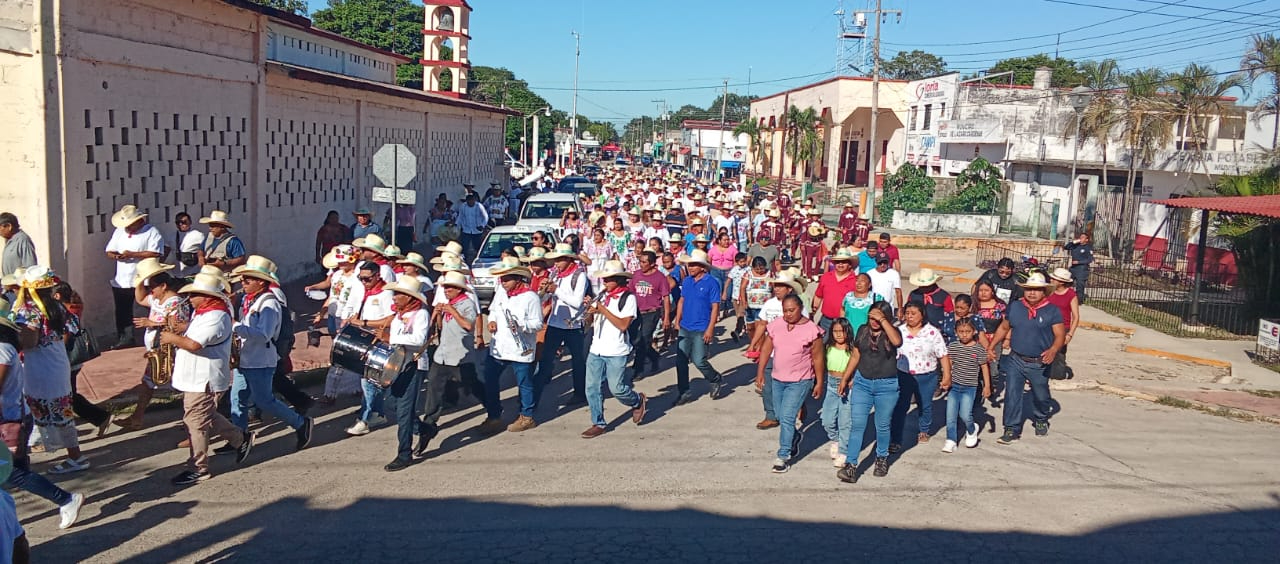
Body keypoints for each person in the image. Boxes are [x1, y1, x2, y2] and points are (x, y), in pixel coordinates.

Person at [0, 298, 85, 529]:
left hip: (9, 421)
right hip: (13, 418)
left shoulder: (2, 351)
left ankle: (66, 499)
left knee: (11, 474)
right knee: (14, 473)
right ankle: (11, 523)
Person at [163, 271, 252, 486]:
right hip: (194, 376)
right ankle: (240, 439)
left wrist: (172, 338)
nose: (190, 298)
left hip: (204, 378)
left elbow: (195, 344)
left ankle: (198, 467)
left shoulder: (217, 316)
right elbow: (196, 335)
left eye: (195, 294)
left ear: (208, 296)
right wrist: (183, 328)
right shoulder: (204, 312)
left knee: (195, 422)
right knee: (207, 415)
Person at [228, 257, 313, 452]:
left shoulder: (269, 304)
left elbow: (264, 334)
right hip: (246, 358)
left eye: (247, 280)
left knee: (264, 400)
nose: (242, 283)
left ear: (260, 281)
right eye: (242, 279)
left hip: (261, 360)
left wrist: (235, 326)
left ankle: (301, 423)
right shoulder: (247, 301)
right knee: (237, 397)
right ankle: (238, 437)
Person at [11, 267, 87, 474]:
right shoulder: (57, 306)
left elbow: (30, 341)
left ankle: (23, 460)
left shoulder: (30, 311)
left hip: (39, 368)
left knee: (31, 409)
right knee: (61, 411)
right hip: (56, 363)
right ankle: (74, 455)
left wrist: (13, 336)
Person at [113, 260, 193, 431]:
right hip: (156, 349)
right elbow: (140, 298)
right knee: (148, 382)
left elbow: (177, 325)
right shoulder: (157, 299)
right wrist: (141, 280)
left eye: (153, 287)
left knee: (181, 383)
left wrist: (152, 323)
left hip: (169, 349)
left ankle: (191, 420)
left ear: (163, 286)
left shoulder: (175, 302)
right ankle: (137, 417)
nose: (151, 291)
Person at [986, 271, 1065, 444]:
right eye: (1029, 289)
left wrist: (1053, 350)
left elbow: (1060, 335)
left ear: (1044, 291)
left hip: (1039, 362)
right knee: (1012, 394)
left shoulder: (1052, 311)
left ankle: (1041, 418)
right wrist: (991, 346)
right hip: (1016, 359)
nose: (1032, 293)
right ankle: (1010, 428)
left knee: (1041, 395)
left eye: (1036, 290)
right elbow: (1004, 327)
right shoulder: (1015, 306)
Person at [755, 295, 823, 473]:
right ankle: (794, 436)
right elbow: (766, 348)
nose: (788, 314)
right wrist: (760, 372)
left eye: (791, 310)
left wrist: (819, 382)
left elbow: (817, 357)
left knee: (787, 417)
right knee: (778, 413)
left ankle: (783, 455)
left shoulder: (811, 330)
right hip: (778, 378)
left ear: (800, 308)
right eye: (785, 310)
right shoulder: (777, 324)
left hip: (800, 381)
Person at [836, 301, 902, 483]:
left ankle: (881, 459)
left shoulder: (892, 332)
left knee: (882, 425)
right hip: (863, 383)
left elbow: (897, 342)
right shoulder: (863, 330)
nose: (874, 321)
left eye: (878, 317)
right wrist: (845, 378)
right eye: (872, 317)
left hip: (886, 386)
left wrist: (884, 321)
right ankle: (851, 466)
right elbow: (856, 354)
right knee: (857, 424)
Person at [581, 261, 647, 438]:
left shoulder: (628, 298)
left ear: (618, 279)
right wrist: (589, 312)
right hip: (597, 348)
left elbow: (623, 325)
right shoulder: (602, 296)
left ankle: (637, 400)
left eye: (609, 279)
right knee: (591, 388)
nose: (604, 282)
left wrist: (601, 309)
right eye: (604, 278)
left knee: (616, 388)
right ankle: (598, 422)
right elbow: (590, 323)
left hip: (617, 350)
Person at [415, 271, 477, 458]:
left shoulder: (467, 303)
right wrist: (438, 315)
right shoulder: (450, 304)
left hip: (460, 356)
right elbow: (440, 328)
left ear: (459, 289)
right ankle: (429, 426)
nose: (446, 290)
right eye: (444, 287)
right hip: (442, 354)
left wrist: (453, 312)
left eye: (449, 287)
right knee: (433, 387)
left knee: (474, 387)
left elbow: (468, 326)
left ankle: (494, 411)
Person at [481, 259, 544, 433]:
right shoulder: (501, 291)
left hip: (520, 349)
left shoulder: (531, 297)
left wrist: (522, 325)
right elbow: (493, 309)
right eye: (502, 278)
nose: (503, 282)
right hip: (499, 346)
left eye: (507, 278)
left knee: (524, 383)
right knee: (490, 380)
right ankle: (494, 415)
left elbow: (538, 323)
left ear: (518, 278)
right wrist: (492, 321)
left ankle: (527, 416)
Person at [377, 279, 431, 472]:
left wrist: (391, 338)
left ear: (408, 297)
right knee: (391, 405)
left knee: (404, 411)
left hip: (413, 366)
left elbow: (418, 339)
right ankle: (425, 430)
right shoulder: (398, 316)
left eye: (398, 294)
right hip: (397, 366)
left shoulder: (421, 314)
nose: (394, 297)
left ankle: (404, 454)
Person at [889, 302, 951, 453]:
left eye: (913, 313)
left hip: (927, 376)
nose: (909, 316)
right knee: (900, 406)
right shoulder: (899, 331)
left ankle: (923, 430)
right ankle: (895, 439)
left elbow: (943, 355)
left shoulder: (932, 332)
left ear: (922, 315)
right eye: (907, 313)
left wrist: (947, 375)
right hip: (903, 375)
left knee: (925, 405)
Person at [343, 262, 395, 436]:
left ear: (377, 276)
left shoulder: (386, 293)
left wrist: (365, 323)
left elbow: (391, 318)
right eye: (361, 278)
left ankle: (364, 419)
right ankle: (378, 413)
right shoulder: (366, 292)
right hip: (366, 340)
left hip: (380, 342)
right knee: (372, 381)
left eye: (367, 278)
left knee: (368, 381)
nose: (364, 281)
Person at [749, 272, 805, 429]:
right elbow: (761, 324)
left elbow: (805, 328)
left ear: (789, 289)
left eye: (781, 286)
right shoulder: (769, 304)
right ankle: (771, 415)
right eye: (776, 285)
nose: (777, 289)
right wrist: (753, 343)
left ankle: (795, 410)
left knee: (789, 386)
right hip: (771, 352)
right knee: (767, 385)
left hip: (790, 355)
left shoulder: (798, 306)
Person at [105, 205, 165, 348]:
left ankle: (156, 335)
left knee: (151, 306)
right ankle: (125, 338)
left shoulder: (151, 232)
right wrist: (116, 255)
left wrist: (133, 254)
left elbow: (156, 252)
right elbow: (109, 250)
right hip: (122, 278)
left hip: (143, 278)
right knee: (122, 310)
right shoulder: (120, 231)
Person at [540, 243, 590, 407]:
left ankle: (579, 393)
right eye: (555, 260)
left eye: (560, 260)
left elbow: (577, 302)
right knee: (545, 359)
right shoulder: (555, 273)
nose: (556, 263)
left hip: (573, 325)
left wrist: (556, 291)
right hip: (555, 323)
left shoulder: (579, 275)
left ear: (569, 259)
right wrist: (544, 291)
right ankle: (534, 392)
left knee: (578, 361)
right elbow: (544, 299)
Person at [672, 249, 725, 405]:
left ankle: (715, 378)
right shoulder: (687, 281)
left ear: (703, 267)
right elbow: (681, 301)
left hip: (701, 327)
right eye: (690, 264)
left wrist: (710, 328)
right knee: (680, 360)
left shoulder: (712, 283)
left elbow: (715, 307)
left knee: (698, 360)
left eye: (694, 265)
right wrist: (677, 320)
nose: (691, 267)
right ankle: (684, 391)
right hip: (685, 326)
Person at [939, 318, 990, 453]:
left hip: (970, 387)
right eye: (961, 332)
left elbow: (984, 367)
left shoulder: (978, 349)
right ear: (956, 332)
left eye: (967, 331)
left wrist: (987, 386)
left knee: (965, 414)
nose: (964, 334)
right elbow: (948, 364)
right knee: (950, 415)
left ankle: (972, 429)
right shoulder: (953, 346)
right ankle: (951, 440)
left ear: (974, 331)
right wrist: (945, 378)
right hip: (954, 386)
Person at [627, 250, 670, 378]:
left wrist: (666, 317)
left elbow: (666, 297)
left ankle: (638, 369)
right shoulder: (636, 275)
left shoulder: (660, 277)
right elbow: (630, 291)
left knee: (644, 339)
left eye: (644, 262)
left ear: (652, 264)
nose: (641, 264)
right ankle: (654, 356)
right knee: (634, 339)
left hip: (652, 312)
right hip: (636, 312)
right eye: (640, 261)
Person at [821, 317, 857, 467]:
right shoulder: (828, 347)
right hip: (831, 384)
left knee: (845, 421)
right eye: (835, 331)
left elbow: (858, 367)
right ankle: (835, 440)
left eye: (841, 331)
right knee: (827, 419)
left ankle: (843, 451)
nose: (838, 335)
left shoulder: (853, 350)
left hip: (847, 387)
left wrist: (853, 380)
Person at [811, 247, 860, 333]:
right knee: (821, 344)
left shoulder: (856, 281)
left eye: (844, 262)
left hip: (846, 321)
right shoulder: (825, 277)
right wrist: (812, 314)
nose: (840, 264)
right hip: (826, 320)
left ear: (850, 264)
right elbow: (818, 296)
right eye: (838, 262)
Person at [1046, 268, 1080, 380]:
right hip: (1047, 326)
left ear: (1061, 282)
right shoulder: (1049, 291)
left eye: (1054, 278)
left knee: (1059, 354)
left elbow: (1075, 316)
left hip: (1063, 327)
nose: (1051, 279)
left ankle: (1057, 374)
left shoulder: (1071, 295)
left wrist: (1070, 334)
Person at [171, 212, 206, 278]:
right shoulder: (171, 236)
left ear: (190, 222)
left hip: (193, 273)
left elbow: (206, 249)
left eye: (184, 222)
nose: (181, 224)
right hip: (176, 274)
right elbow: (165, 250)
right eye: (178, 222)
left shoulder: (198, 235)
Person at [455, 193, 490, 259]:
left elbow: (485, 216)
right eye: (469, 200)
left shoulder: (479, 206)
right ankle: (465, 260)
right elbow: (460, 217)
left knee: (477, 246)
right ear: (467, 200)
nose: (471, 202)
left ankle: (479, 259)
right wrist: (457, 225)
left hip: (477, 231)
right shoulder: (463, 206)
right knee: (465, 247)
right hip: (466, 230)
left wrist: (482, 225)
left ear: (475, 200)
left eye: (472, 200)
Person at [1064, 232, 1094, 302]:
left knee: (1080, 285)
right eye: (1080, 237)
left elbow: (1090, 259)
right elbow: (1066, 247)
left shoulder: (1088, 248)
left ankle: (1078, 300)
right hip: (1073, 268)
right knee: (1067, 282)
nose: (1081, 238)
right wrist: (1073, 242)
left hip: (1082, 269)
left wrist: (1079, 262)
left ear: (1086, 240)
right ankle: (1066, 297)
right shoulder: (1075, 245)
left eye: (1083, 237)